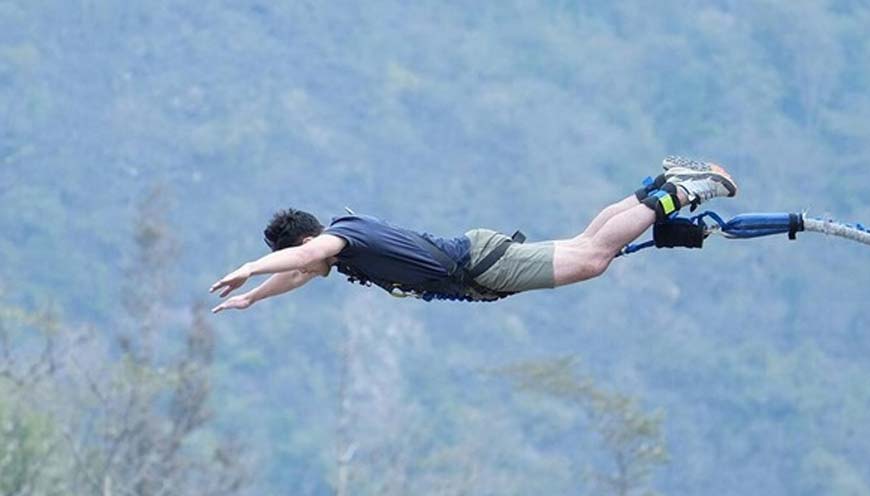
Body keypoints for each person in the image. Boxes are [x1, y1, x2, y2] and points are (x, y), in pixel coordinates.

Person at [209, 156, 737, 312]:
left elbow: (305, 260)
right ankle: (659, 186)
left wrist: (249, 268)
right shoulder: (339, 247)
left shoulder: (339, 239)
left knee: (592, 259)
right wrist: (254, 297)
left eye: (300, 258)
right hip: (478, 262)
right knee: (585, 245)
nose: (305, 270)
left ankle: (684, 190)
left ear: (305, 243)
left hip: (478, 265)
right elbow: (298, 272)